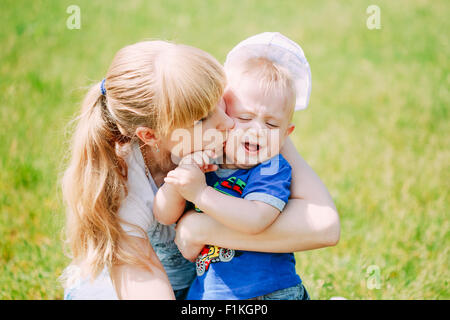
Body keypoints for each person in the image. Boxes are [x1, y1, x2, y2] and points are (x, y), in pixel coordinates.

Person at [61, 37, 339, 300]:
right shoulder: (122, 178)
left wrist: (201, 226)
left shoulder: (252, 127)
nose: (229, 122)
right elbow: (144, 277)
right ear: (151, 136)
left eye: (220, 100)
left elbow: (324, 227)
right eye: (203, 118)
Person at [154, 33, 318, 299]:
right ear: (225, 117)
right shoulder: (206, 159)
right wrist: (181, 181)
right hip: (208, 293)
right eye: (244, 117)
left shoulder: (271, 168)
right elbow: (163, 215)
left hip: (271, 292)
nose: (257, 131)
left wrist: (200, 194)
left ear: (287, 133)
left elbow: (255, 219)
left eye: (271, 124)